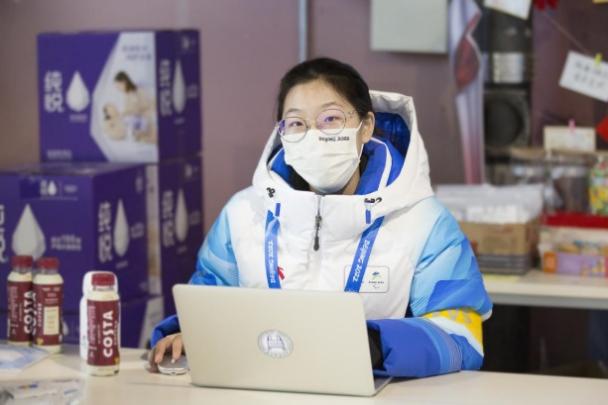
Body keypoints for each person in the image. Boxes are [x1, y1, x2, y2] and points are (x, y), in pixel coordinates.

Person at [149, 57, 493, 378]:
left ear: (366, 126)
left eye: (330, 119)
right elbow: (207, 305)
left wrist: (375, 346)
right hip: (261, 390)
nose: (314, 135)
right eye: (297, 123)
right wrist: (188, 333)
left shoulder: (423, 222)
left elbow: (461, 338)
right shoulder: (243, 214)